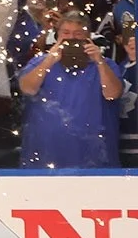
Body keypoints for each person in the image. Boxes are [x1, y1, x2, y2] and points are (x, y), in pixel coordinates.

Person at [18, 12, 122, 169]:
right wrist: (49, 60)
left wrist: (99, 61)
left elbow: (112, 93)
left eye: (78, 33)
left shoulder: (105, 64)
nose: (71, 38)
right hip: (45, 155)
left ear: (89, 36)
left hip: (94, 156)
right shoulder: (40, 62)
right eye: (66, 33)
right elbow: (27, 88)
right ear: (57, 35)